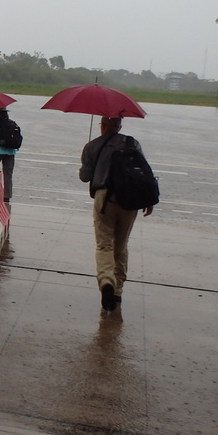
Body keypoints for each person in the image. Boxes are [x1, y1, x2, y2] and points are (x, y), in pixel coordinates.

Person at [79, 116, 155, 312]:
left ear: (103, 125)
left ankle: (106, 281)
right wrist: (149, 200)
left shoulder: (92, 146)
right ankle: (118, 291)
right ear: (120, 126)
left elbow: (84, 176)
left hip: (104, 198)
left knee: (104, 244)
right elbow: (144, 172)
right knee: (121, 246)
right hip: (130, 199)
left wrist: (90, 159)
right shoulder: (132, 143)